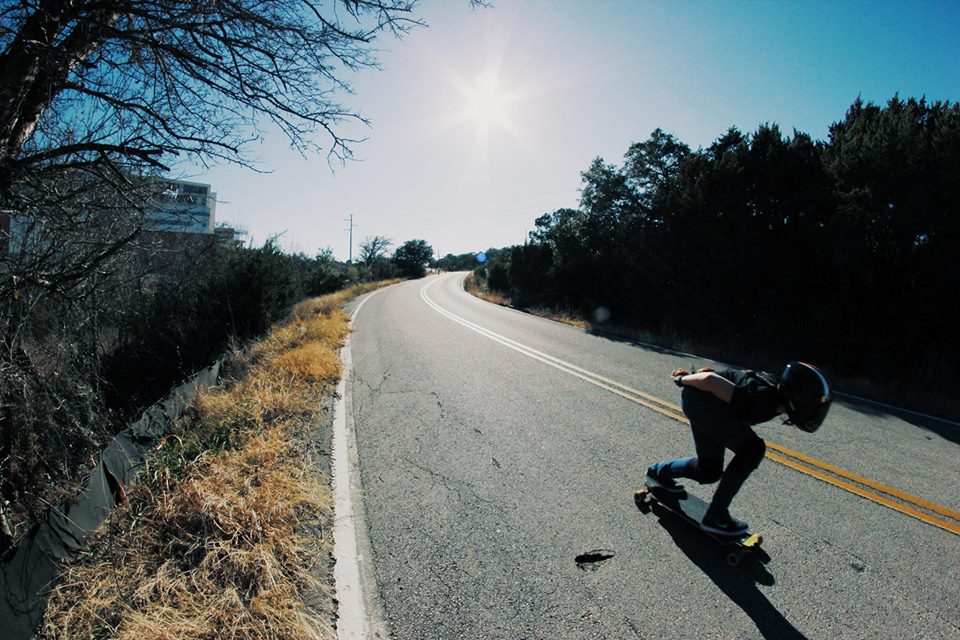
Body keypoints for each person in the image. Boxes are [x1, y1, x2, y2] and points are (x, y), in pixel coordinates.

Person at [646, 361, 832, 535]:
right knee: (753, 449)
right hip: (702, 401)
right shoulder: (761, 398)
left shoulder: (774, 397)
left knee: (709, 471)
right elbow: (709, 380)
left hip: (705, 402)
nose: (816, 413)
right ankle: (716, 517)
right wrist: (681, 379)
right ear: (799, 399)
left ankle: (658, 473)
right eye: (813, 406)